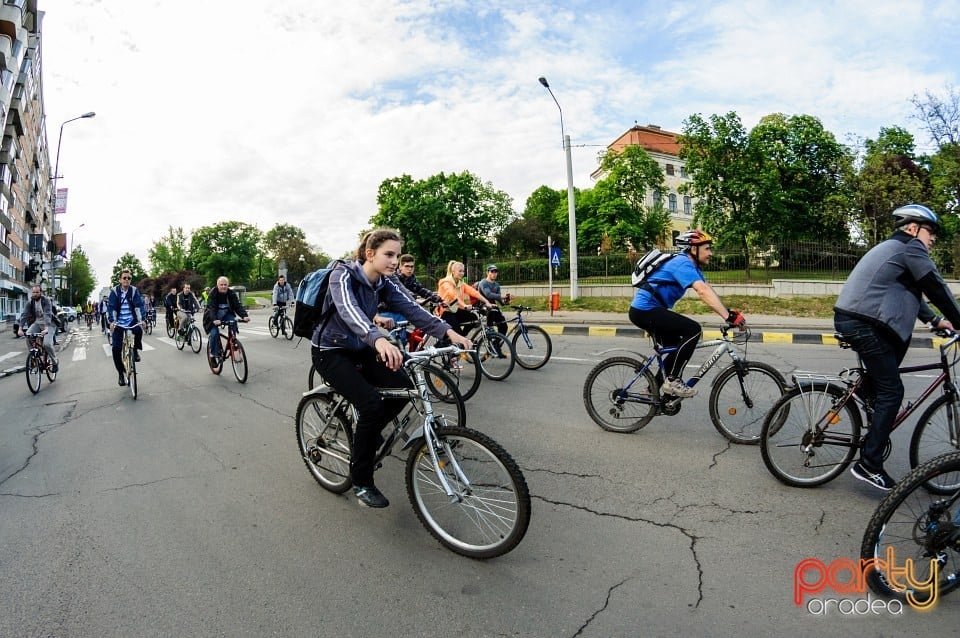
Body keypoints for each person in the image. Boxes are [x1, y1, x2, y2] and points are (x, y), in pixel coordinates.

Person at [313, 229, 473, 509]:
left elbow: (413, 309)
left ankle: (368, 435)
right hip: (331, 351)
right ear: (370, 254)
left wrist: (449, 333)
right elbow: (349, 310)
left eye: (397, 256)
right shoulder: (343, 275)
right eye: (389, 254)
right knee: (372, 404)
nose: (395, 261)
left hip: (361, 346)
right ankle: (361, 481)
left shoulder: (385, 283)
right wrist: (377, 338)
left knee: (404, 390)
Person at [834, 204, 960, 490]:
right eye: (931, 232)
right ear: (913, 228)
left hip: (858, 320)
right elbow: (934, 286)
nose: (933, 239)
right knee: (893, 391)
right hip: (864, 324)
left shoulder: (896, 248)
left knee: (882, 388)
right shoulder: (909, 248)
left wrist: (937, 320)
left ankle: (871, 413)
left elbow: (912, 292)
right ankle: (869, 464)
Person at [628, 229, 746, 398]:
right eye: (707, 249)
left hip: (650, 311)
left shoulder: (692, 267)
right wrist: (727, 317)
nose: (710, 253)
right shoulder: (681, 263)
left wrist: (728, 312)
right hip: (644, 311)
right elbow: (702, 291)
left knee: (678, 347)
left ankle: (651, 389)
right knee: (693, 330)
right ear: (693, 249)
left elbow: (707, 288)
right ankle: (673, 381)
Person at [107, 269, 146, 386]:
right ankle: (120, 374)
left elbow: (139, 306)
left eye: (129, 278)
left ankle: (135, 350)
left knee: (138, 330)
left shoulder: (134, 291)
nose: (126, 280)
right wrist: (112, 322)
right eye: (124, 278)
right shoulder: (114, 292)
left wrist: (141, 320)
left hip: (131, 321)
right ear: (120, 280)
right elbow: (112, 307)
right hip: (119, 323)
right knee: (116, 349)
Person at [436, 260, 495, 339]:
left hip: (456, 310)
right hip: (445, 312)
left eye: (463, 271)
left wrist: (487, 302)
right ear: (453, 271)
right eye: (460, 271)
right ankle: (451, 341)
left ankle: (461, 338)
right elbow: (453, 295)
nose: (462, 273)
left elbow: (474, 292)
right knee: (458, 335)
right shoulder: (445, 282)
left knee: (473, 318)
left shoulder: (461, 283)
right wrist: (464, 305)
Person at [203, 277, 249, 362]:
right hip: (212, 317)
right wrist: (214, 319)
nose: (224, 286)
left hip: (226, 315)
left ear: (228, 285)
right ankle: (213, 355)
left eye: (225, 285)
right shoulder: (213, 294)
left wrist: (244, 316)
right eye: (221, 285)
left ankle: (233, 341)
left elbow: (237, 305)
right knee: (214, 334)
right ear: (217, 285)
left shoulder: (230, 293)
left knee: (233, 321)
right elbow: (211, 308)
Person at [19, 285, 59, 372]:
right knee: (28, 336)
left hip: (50, 324)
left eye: (37, 292)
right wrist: (20, 328)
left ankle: (55, 361)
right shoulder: (30, 303)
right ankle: (34, 357)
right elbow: (24, 315)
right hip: (37, 323)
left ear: (41, 292)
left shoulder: (46, 300)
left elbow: (47, 314)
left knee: (47, 344)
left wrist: (46, 328)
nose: (35, 294)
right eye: (33, 292)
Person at [476, 264, 511, 334]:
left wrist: (506, 301)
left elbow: (499, 299)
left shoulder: (497, 285)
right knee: (490, 309)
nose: (494, 274)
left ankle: (496, 344)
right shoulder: (483, 282)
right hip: (483, 306)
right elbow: (488, 294)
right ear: (487, 273)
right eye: (492, 272)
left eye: (495, 272)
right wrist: (502, 296)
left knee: (504, 326)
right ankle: (489, 327)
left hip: (494, 307)